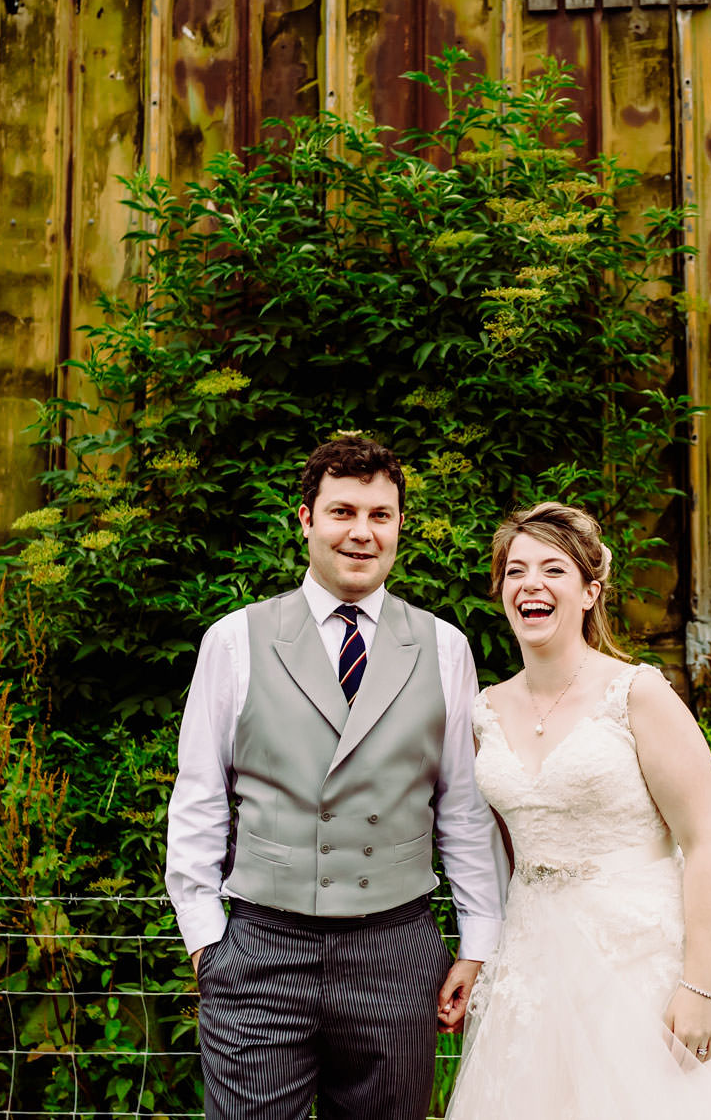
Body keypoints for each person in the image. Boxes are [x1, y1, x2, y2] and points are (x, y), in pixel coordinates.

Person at [445, 502, 711, 1120]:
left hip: (643, 966)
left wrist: (699, 985)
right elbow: (486, 846)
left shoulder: (637, 693)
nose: (530, 585)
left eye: (553, 570)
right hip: (536, 965)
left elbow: (704, 839)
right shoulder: (485, 711)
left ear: (592, 590)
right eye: (515, 572)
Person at [164, 436, 506, 1120]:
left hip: (396, 950)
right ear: (306, 519)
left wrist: (478, 943)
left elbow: (462, 810)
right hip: (262, 948)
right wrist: (206, 938)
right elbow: (199, 798)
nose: (361, 531)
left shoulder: (443, 647)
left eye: (380, 515)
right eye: (342, 511)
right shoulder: (234, 639)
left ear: (400, 526)